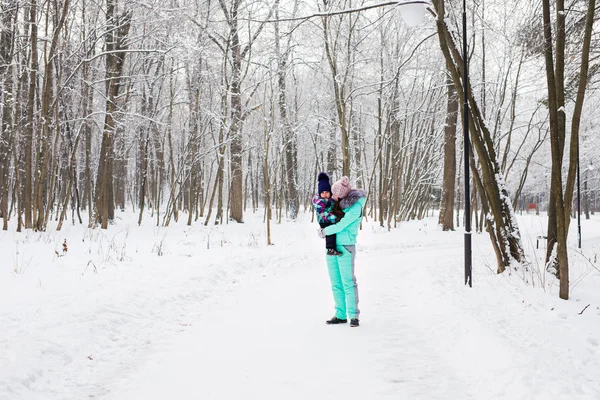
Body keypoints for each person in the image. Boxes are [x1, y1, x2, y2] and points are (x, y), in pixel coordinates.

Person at [317, 176, 366, 328]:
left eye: (336, 194)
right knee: (336, 283)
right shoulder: (339, 204)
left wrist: (324, 231)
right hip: (331, 246)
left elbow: (341, 225)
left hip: (345, 246)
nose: (333, 197)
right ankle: (340, 314)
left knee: (348, 282)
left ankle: (353, 316)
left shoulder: (355, 207)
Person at [312, 172, 343, 256]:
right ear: (319, 193)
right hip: (323, 220)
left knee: (334, 231)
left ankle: (333, 247)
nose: (325, 194)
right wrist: (335, 218)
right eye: (323, 193)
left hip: (330, 218)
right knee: (330, 231)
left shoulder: (331, 199)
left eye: (327, 192)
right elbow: (323, 213)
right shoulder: (318, 201)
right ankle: (330, 249)